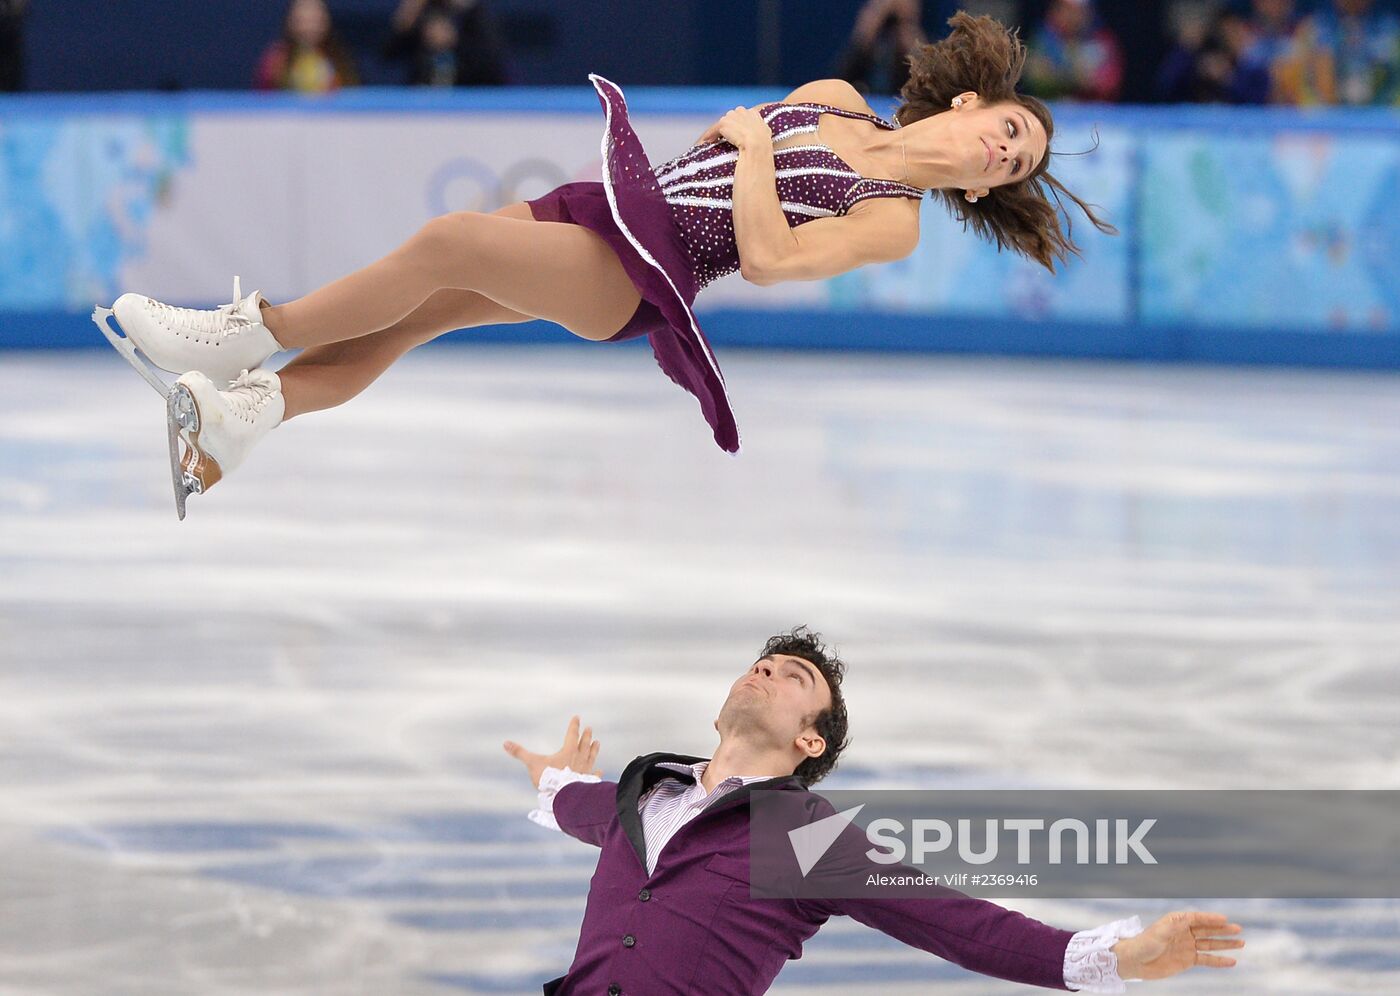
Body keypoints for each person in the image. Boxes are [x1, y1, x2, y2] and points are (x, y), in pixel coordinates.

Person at [97, 13, 1114, 518]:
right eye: (1010, 131)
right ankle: (239, 423)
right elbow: (718, 152)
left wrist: (758, 151)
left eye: (1015, 164)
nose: (1002, 151)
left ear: (984, 190)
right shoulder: (835, 94)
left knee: (448, 245)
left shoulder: (892, 220)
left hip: (645, 273)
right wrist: (748, 145)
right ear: (975, 108)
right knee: (420, 313)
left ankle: (242, 336)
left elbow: (761, 258)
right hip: (612, 208)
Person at [501, 628, 1246, 993]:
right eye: (761, 663)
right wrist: (554, 776)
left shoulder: (806, 841)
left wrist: (1113, 957)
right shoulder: (642, 795)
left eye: (792, 676)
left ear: (807, 738)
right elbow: (572, 802)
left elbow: (958, 925)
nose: (763, 669)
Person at [1274, 0, 1400, 106]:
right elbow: (1292, 79)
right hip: (1327, 118)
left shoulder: (1391, 31)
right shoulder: (1313, 29)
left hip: (1381, 117)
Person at [384, 0, 509, 87]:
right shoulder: (422, 11)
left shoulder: (476, 14)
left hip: (467, 100)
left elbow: (492, 62)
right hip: (421, 101)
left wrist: (455, 41)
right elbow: (387, 57)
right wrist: (407, 18)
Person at [1024, 0, 1125, 103]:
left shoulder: (1102, 41)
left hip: (1093, 110)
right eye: (1066, 10)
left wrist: (1060, 73)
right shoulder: (1043, 40)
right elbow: (1034, 76)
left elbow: (1108, 84)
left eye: (1078, 12)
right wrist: (1072, 75)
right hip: (1050, 107)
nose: (1072, 17)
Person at [254, 0, 359, 94]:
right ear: (290, 21)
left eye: (315, 19)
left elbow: (351, 96)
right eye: (302, 19)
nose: (309, 26)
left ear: (326, 20)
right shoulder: (276, 59)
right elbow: (264, 102)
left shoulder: (338, 58)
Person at [837, 0, 928, 95]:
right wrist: (862, 40)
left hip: (902, 100)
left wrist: (915, 46)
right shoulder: (867, 44)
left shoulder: (915, 40)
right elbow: (841, 80)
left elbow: (929, 85)